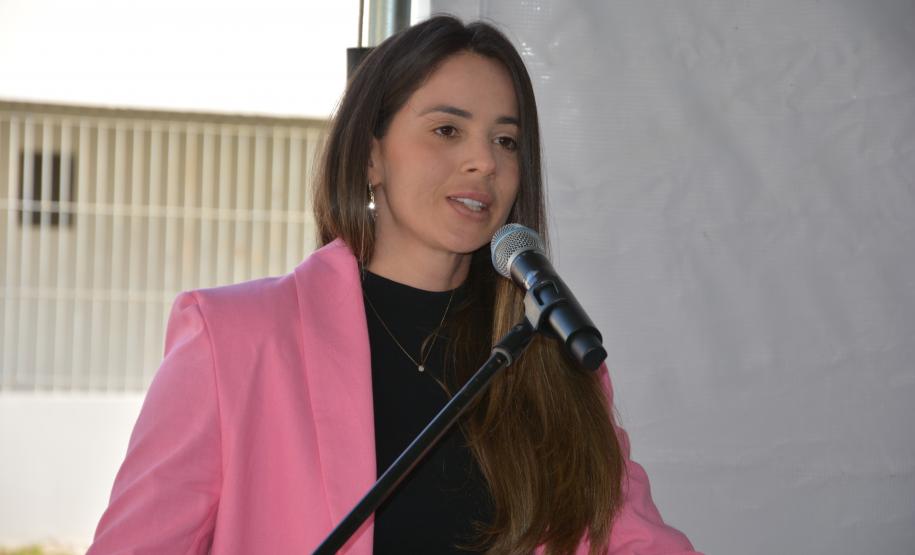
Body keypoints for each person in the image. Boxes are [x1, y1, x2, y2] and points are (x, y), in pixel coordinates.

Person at [88, 15, 701, 555]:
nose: (484, 161)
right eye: (446, 131)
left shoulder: (549, 354)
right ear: (371, 157)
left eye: (506, 141)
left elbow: (633, 540)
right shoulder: (234, 341)